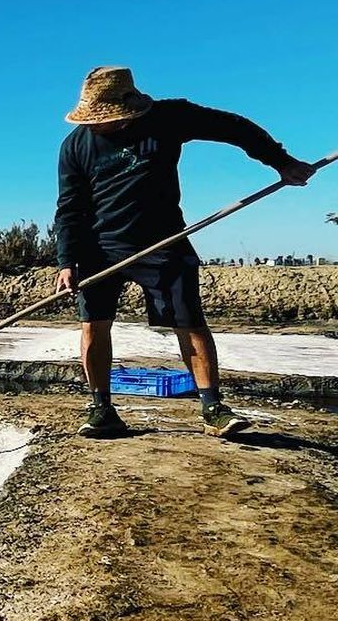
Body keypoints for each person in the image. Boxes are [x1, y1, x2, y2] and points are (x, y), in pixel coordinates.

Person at [54, 67, 315, 439]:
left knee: (189, 323)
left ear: (126, 108)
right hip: (99, 248)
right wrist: (67, 260)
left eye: (104, 118)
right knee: (93, 327)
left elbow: (236, 128)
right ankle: (102, 408)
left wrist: (282, 163)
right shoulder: (75, 146)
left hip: (164, 241)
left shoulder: (169, 118)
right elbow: (69, 208)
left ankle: (212, 408)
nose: (97, 125)